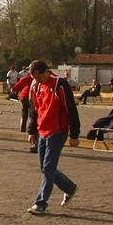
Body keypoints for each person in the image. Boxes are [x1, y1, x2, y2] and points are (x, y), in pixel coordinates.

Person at [26, 60, 80, 215]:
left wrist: (74, 134)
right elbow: (34, 110)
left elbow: (71, 110)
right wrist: (31, 131)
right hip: (42, 131)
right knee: (44, 168)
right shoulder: (36, 86)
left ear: (47, 72)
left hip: (58, 132)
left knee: (48, 168)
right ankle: (69, 187)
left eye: (39, 77)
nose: (37, 81)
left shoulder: (60, 85)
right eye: (34, 78)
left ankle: (41, 203)